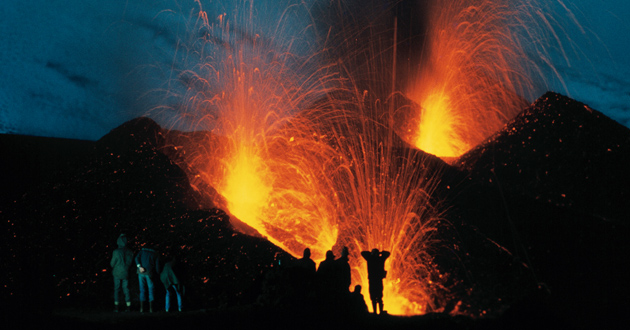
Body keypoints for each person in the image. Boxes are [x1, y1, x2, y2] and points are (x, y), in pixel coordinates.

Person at [361, 248, 390, 314]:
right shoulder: (381, 259)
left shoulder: (369, 259)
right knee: (379, 297)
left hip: (372, 281)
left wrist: (371, 253)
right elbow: (388, 253)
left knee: (374, 297)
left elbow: (363, 253)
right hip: (378, 281)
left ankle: (375, 312)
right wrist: (381, 253)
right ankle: (380, 311)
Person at [110, 234, 133, 312]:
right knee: (126, 289)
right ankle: (128, 307)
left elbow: (112, 264)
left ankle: (116, 307)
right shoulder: (130, 251)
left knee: (117, 289)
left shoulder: (116, 251)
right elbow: (130, 263)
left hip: (116, 272)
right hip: (125, 272)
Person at [135, 244, 160, 313]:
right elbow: (157, 267)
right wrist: (158, 273)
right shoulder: (155, 253)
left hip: (140, 272)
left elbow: (136, 258)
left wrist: (139, 267)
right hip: (149, 272)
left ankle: (141, 309)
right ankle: (151, 309)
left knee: (142, 290)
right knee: (151, 290)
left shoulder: (142, 251)